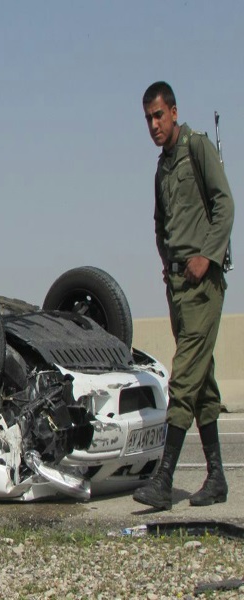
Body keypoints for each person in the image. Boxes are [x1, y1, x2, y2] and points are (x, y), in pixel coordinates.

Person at [134, 82, 235, 510]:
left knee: (185, 376)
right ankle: (216, 479)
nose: (154, 125)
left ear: (174, 112)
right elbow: (161, 224)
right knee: (203, 382)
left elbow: (225, 204)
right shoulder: (163, 166)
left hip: (203, 284)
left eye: (159, 115)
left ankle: (165, 477)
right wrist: (169, 264)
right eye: (148, 119)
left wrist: (206, 258)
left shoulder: (197, 148)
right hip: (177, 286)